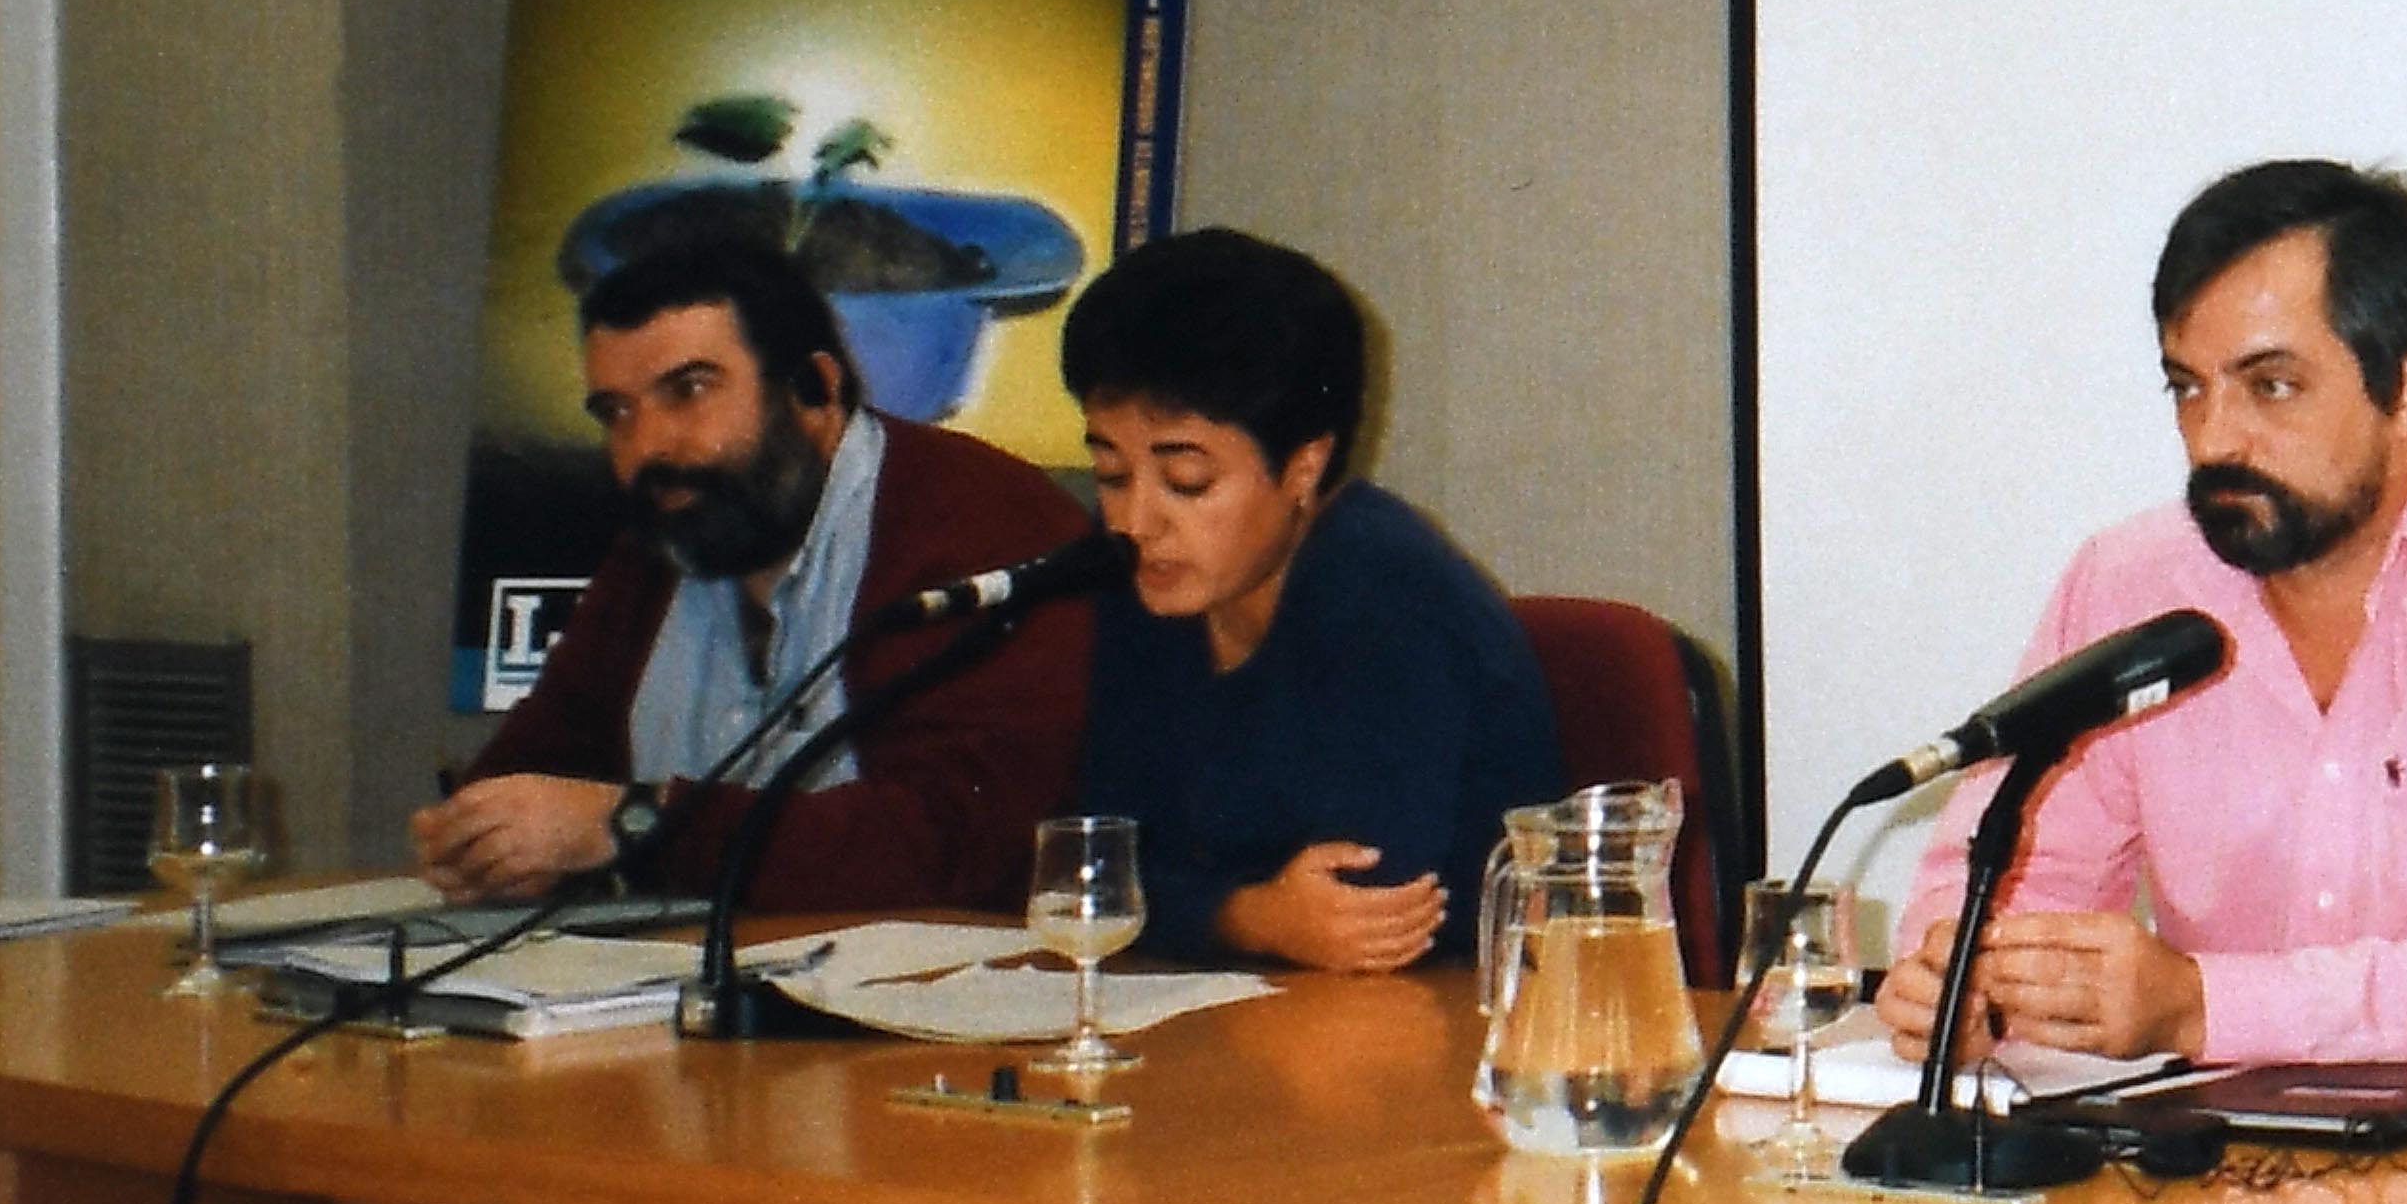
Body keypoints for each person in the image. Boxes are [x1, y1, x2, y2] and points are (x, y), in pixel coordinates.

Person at [1878, 160, 2407, 1071]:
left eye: (2271, 386)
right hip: (2214, 1130)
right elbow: (2013, 877)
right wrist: (1966, 980)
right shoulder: (2129, 582)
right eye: (2188, 387)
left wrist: (2199, 1006)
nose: (2215, 437)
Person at [417, 232, 1099, 914]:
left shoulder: (981, 523)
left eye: (689, 390)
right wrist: (482, 839)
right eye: (617, 412)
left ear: (816, 391)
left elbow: (960, 846)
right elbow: (537, 767)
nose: (647, 447)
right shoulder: (666, 540)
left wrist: (640, 823)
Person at [1059, 227, 1563, 972]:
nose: (1136, 521)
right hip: (1240, 1003)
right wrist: (1246, 916)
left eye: (1187, 481)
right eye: (1110, 474)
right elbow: (1091, 873)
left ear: (1304, 465)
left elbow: (1367, 919)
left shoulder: (1391, 597)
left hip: (1438, 1010)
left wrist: (1223, 912)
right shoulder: (1144, 580)